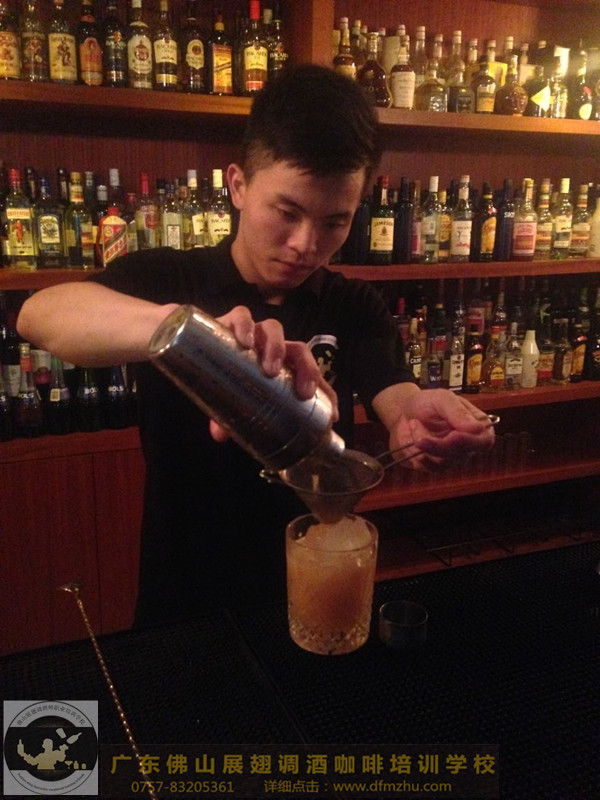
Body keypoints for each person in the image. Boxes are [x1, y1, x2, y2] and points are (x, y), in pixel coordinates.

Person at [17, 64, 494, 627]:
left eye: (334, 222)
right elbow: (39, 316)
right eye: (287, 212)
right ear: (238, 185)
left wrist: (416, 418)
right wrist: (191, 333)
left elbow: (398, 396)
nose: (305, 245)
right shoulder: (170, 278)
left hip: (311, 589)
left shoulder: (352, 304)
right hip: (184, 598)